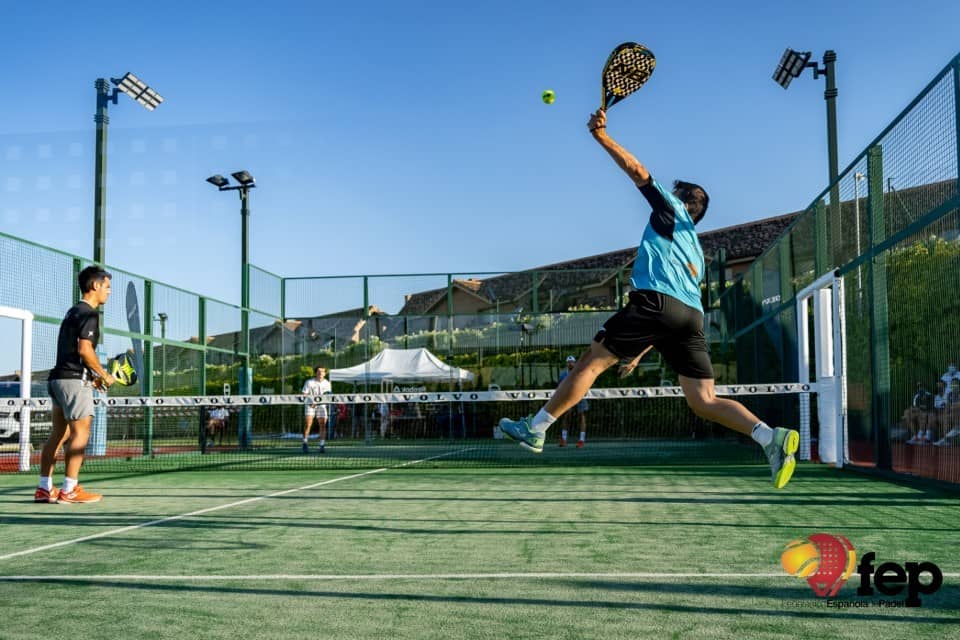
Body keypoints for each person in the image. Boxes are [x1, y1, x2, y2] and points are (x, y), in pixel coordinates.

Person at [498, 108, 801, 489]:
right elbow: (671, 317)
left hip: (655, 304)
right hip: (690, 317)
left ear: (683, 200)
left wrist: (601, 136)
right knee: (704, 400)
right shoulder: (693, 249)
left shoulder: (671, 209)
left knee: (589, 363)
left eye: (676, 192)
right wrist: (640, 349)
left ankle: (536, 428)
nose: (669, 192)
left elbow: (638, 172)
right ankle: (769, 436)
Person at [34, 266, 116, 504]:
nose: (109, 292)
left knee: (60, 433)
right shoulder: (90, 313)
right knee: (81, 433)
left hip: (57, 379)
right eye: (107, 287)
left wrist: (92, 375)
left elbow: (74, 353)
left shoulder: (72, 312)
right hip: (72, 382)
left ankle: (43, 488)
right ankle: (69, 489)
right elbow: (85, 349)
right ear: (95, 286)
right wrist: (104, 374)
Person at [558, 355, 588, 448]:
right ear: (566, 363)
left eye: (572, 362)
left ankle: (581, 440)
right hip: (567, 398)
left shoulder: (580, 373)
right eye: (569, 362)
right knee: (566, 416)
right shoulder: (563, 375)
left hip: (580, 397)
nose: (570, 363)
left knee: (582, 417)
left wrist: (585, 391)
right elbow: (560, 388)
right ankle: (563, 439)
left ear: (575, 363)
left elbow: (586, 383)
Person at [301, 366, 331, 453]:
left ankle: (322, 445)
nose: (321, 373)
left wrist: (321, 402)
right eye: (319, 372)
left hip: (322, 406)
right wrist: (311, 402)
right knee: (308, 424)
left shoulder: (327, 383)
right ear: (315, 373)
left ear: (325, 373)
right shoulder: (309, 382)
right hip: (310, 405)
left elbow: (328, 395)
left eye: (323, 372)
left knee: (323, 425)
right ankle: (305, 443)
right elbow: (304, 394)